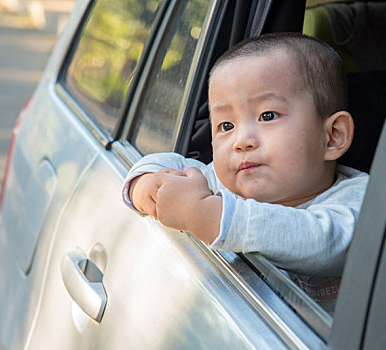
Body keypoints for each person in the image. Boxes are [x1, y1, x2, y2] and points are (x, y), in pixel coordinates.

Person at [122, 33, 369, 312]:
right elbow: (164, 164)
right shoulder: (220, 181)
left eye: (267, 116)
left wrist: (206, 215)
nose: (242, 141)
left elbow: (326, 243)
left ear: (332, 136)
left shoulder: (362, 202)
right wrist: (147, 187)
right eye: (226, 126)